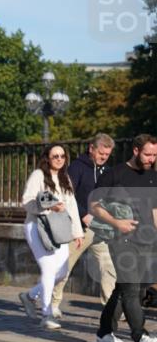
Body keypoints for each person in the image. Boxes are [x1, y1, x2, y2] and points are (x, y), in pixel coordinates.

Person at [91, 134, 157, 342]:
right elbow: (94, 206)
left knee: (129, 289)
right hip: (121, 239)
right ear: (136, 151)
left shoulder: (153, 177)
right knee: (130, 289)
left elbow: (155, 212)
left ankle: (103, 333)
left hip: (146, 240)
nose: (151, 158)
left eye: (155, 155)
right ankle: (141, 336)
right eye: (148, 154)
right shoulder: (115, 174)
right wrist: (116, 222)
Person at [50, 133, 118, 318]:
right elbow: (66, 196)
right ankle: (53, 303)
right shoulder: (77, 168)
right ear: (91, 148)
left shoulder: (106, 170)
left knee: (108, 266)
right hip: (78, 228)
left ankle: (110, 309)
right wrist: (83, 215)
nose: (104, 157)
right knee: (65, 266)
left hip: (99, 227)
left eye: (107, 154)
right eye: (101, 153)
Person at [17, 144, 84, 330]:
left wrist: (77, 232)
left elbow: (72, 207)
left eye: (63, 156)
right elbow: (27, 201)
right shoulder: (38, 175)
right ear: (47, 158)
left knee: (61, 272)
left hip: (59, 228)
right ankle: (46, 314)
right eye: (55, 156)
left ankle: (29, 296)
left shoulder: (65, 178)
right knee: (48, 268)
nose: (60, 159)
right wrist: (49, 207)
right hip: (37, 227)